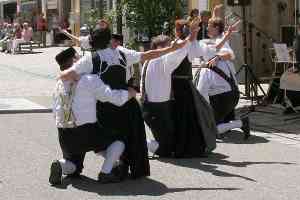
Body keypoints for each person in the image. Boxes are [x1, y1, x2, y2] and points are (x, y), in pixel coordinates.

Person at [50, 47, 137, 185]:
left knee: (74, 166)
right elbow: (113, 97)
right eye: (79, 57)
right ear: (75, 61)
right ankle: (105, 173)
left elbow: (55, 111)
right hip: (87, 131)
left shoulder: (58, 84)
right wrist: (130, 93)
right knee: (118, 141)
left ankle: (60, 165)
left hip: (64, 133)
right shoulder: (88, 79)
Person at [194, 17, 250, 140]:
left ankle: (239, 123)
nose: (207, 27)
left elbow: (229, 54)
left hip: (226, 94)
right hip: (221, 92)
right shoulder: (207, 42)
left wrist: (217, 57)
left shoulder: (220, 42)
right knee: (217, 124)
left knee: (210, 127)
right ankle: (226, 124)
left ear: (216, 28)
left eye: (209, 25)